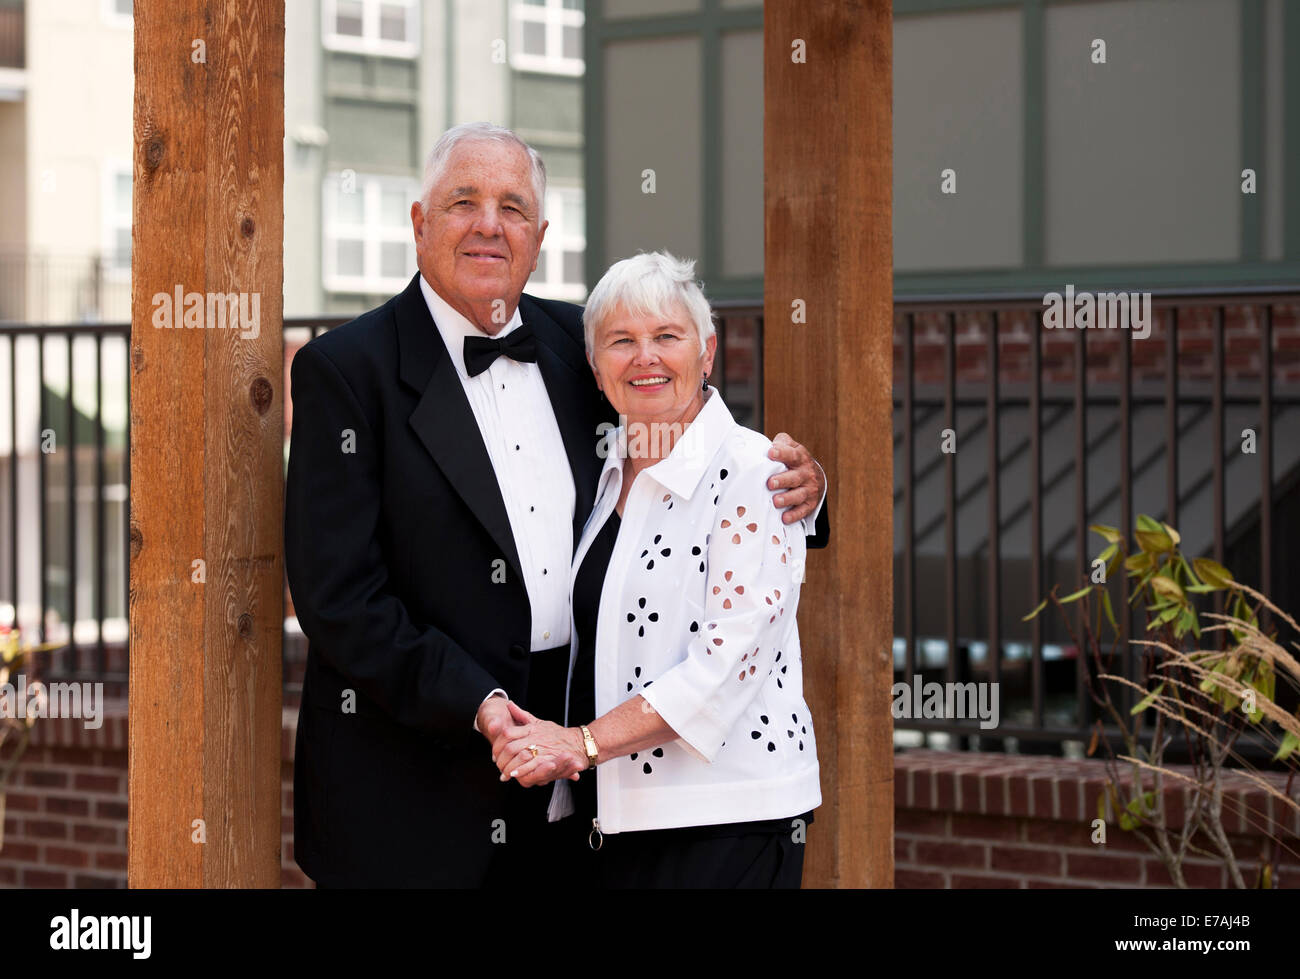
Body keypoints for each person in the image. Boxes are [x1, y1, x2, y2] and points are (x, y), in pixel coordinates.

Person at [283, 123, 829, 887]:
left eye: (512, 207)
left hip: (580, 795)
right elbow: (338, 596)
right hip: (412, 793)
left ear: (539, 235)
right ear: (418, 222)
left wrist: (800, 488)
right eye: (462, 202)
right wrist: (478, 701)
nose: (487, 224)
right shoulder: (347, 370)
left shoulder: (583, 339)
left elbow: (696, 448)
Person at [491, 252, 820, 888]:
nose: (645, 357)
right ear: (594, 365)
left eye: (667, 336)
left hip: (725, 828)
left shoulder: (756, 474)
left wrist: (581, 744)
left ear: (707, 352)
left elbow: (726, 666)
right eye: (622, 341)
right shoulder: (606, 470)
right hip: (610, 819)